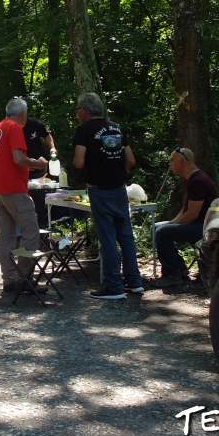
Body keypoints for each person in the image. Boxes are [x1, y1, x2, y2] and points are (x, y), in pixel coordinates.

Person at [72, 92, 144, 300]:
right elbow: (131, 160)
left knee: (108, 237)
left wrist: (95, 169)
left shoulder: (84, 130)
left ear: (85, 110)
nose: (78, 113)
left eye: (78, 110)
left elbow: (78, 162)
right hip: (119, 188)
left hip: (99, 189)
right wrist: (117, 170)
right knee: (125, 234)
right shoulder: (116, 128)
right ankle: (134, 281)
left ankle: (113, 286)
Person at [0, 98, 50, 299]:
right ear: (23, 115)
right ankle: (23, 279)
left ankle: (9, 279)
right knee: (31, 231)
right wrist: (39, 164)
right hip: (13, 188)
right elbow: (18, 159)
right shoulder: (14, 128)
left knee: (6, 235)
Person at [152, 147, 219, 287]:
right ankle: (180, 269)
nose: (170, 165)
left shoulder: (198, 181)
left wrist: (169, 227)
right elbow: (185, 210)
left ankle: (173, 274)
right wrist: (171, 223)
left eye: (172, 161)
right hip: (199, 223)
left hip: (206, 227)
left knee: (162, 232)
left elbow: (192, 214)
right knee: (157, 227)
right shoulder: (191, 179)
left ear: (181, 161)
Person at [23, 115, 56, 180]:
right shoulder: (11, 127)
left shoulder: (35, 123)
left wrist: (52, 148)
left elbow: (47, 136)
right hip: (22, 167)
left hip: (40, 165)